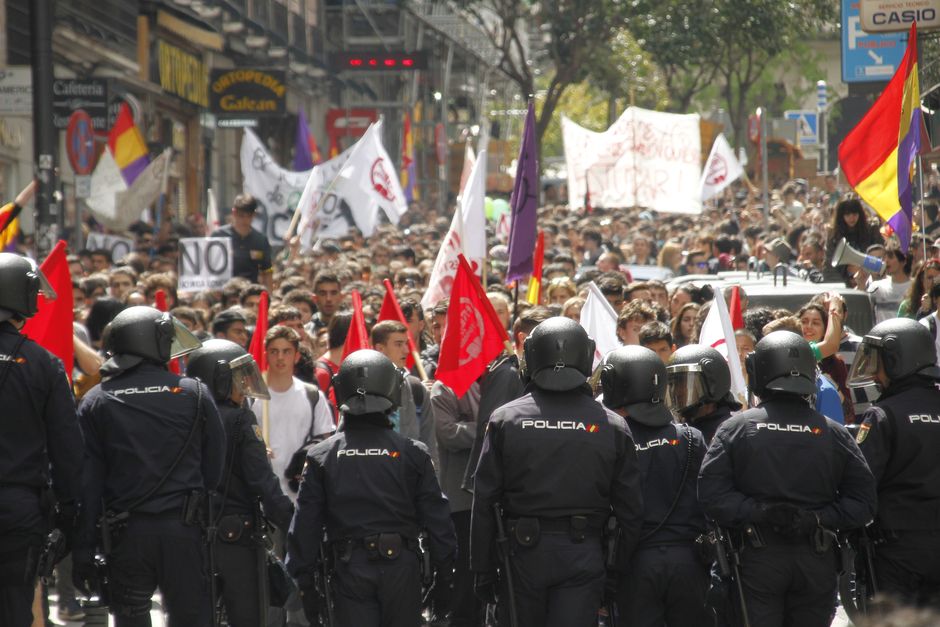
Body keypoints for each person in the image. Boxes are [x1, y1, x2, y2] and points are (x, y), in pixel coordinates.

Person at [471, 317, 644, 627]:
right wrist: (616, 570)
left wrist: (482, 569)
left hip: (521, 556)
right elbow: (631, 510)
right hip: (584, 555)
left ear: (532, 356)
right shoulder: (614, 426)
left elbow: (484, 500)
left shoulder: (505, 420)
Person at [698, 331, 876, 627]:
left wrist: (761, 513)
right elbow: (864, 504)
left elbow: (710, 495)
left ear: (758, 372)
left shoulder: (735, 429)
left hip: (756, 560)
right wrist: (817, 518)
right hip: (816, 561)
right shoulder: (834, 432)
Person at [73, 306, 226, 626]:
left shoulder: (96, 400)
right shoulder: (194, 392)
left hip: (126, 535)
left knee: (130, 618)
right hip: (184, 531)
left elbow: (88, 484)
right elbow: (215, 469)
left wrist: (84, 550)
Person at [286, 349, 457, 626]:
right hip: (402, 569)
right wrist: (445, 576)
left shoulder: (322, 456)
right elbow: (438, 520)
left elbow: (305, 524)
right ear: (392, 391)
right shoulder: (413, 453)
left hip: (348, 568)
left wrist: (304, 584)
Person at [0, 253, 83, 627]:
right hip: (19, 509)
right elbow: (68, 449)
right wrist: (70, 514)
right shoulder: (45, 365)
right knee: (17, 606)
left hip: (21, 504)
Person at [187, 340, 295, 627]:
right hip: (236, 539)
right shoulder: (239, 419)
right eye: (238, 378)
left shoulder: (183, 417)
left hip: (190, 536)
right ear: (219, 379)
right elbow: (262, 481)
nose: (245, 385)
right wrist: (293, 522)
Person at [600, 346, 710, 627]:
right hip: (689, 563)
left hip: (635, 564)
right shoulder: (691, 436)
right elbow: (709, 499)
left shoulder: (612, 439)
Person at [851, 318, 940, 607]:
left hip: (898, 549)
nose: (876, 375)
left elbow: (861, 482)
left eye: (879, 363)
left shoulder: (883, 415)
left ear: (896, 358)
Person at [252, 325, 333, 499]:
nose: (280, 357)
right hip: (263, 495)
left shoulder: (312, 395)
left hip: (302, 494)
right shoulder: (252, 397)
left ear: (296, 356)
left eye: (286, 351)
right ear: (266, 355)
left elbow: (326, 440)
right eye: (274, 351)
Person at [666, 345, 742, 445]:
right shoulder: (676, 432)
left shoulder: (734, 433)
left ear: (711, 385)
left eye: (683, 383)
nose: (676, 391)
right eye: (672, 384)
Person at [211, 194, 273, 290]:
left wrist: (269, 297)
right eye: (241, 216)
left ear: (254, 215)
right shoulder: (219, 236)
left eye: (249, 216)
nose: (244, 220)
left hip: (250, 292)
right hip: (223, 291)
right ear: (234, 212)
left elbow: (267, 272)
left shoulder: (260, 240)